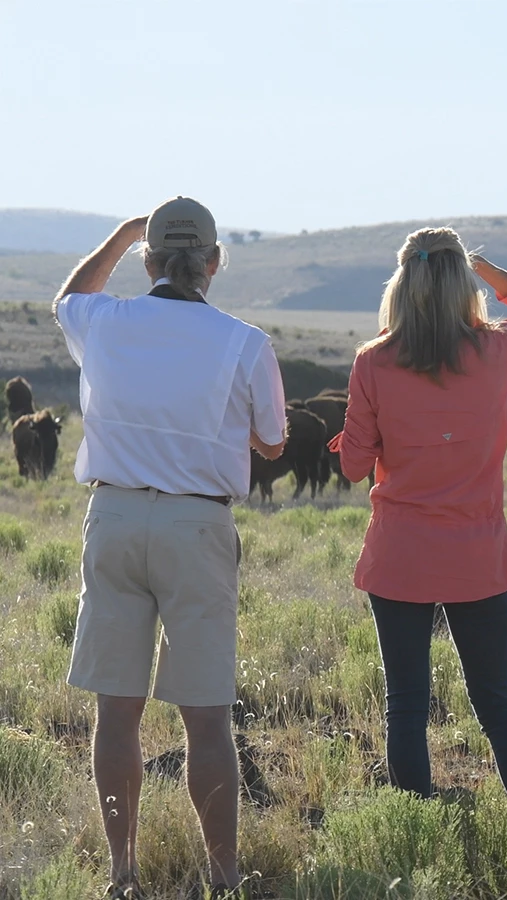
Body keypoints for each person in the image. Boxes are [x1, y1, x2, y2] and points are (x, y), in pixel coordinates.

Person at [53, 197, 287, 900]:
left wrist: (121, 234)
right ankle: (222, 878)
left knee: (115, 710)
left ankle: (123, 873)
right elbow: (274, 442)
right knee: (206, 716)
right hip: (197, 527)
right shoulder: (244, 342)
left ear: (148, 261)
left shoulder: (103, 323)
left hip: (115, 518)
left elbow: (68, 295)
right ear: (214, 263)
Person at [330, 226, 507, 803]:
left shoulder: (374, 362)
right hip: (476, 556)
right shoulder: (494, 348)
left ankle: (415, 829)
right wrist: (490, 271)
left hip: (399, 557)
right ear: (462, 281)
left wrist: (369, 437)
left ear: (402, 284)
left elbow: (354, 467)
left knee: (405, 706)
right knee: (494, 702)